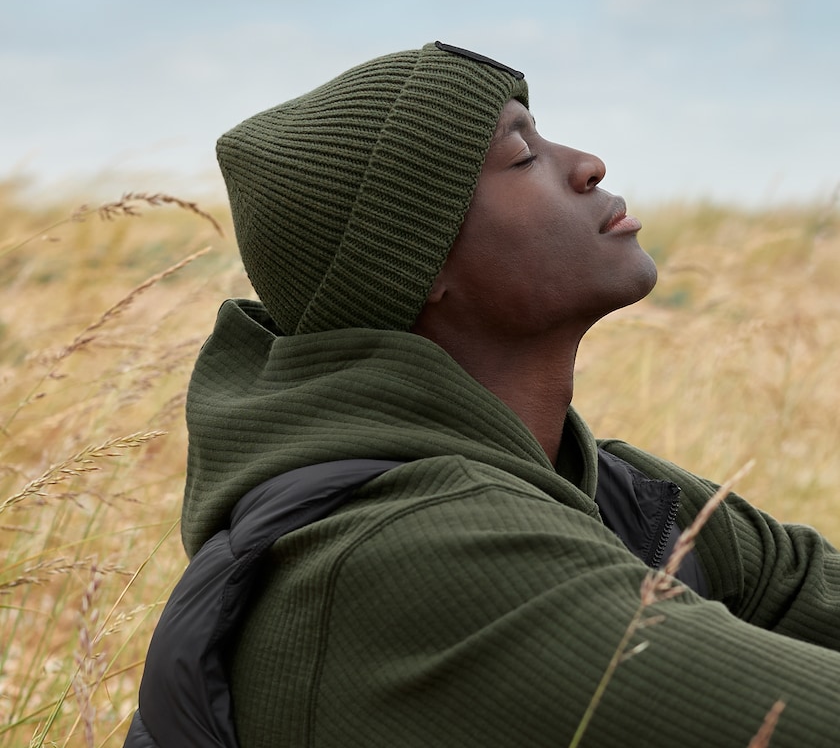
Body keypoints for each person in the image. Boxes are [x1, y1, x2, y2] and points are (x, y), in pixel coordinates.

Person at [126, 41, 840, 747]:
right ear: (416, 261)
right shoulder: (417, 552)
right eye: (522, 156)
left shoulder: (616, 491)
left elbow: (798, 585)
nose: (589, 165)